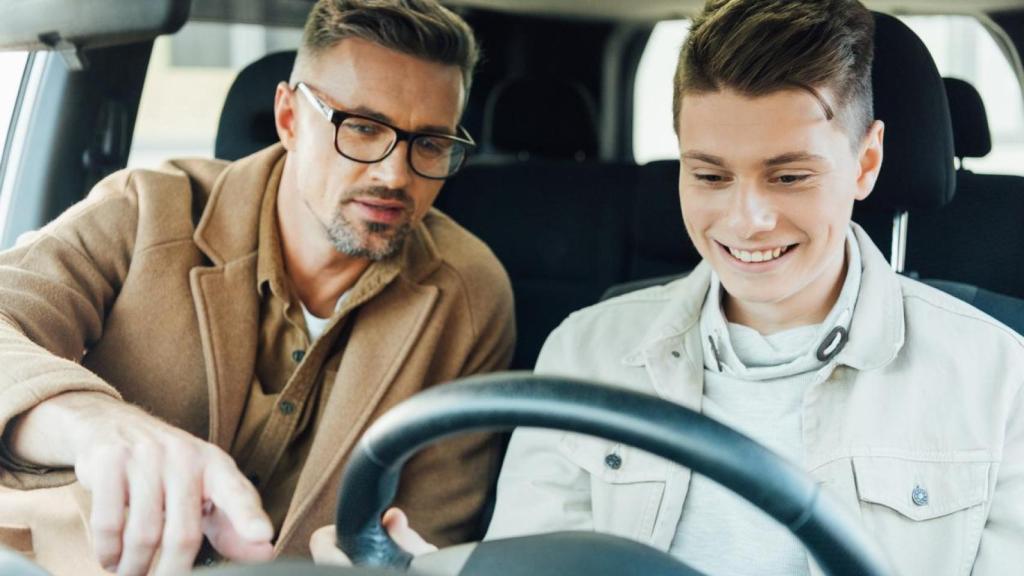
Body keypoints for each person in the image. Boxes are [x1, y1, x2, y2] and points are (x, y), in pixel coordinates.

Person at [312, 0, 1024, 574]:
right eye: (709, 175)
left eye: (791, 175)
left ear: (866, 162)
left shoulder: (998, 381)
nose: (747, 220)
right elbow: (535, 560)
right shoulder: (587, 354)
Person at [0, 1, 515, 574]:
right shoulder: (147, 210)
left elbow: (429, 531)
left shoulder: (469, 293)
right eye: (364, 129)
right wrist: (95, 426)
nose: (395, 175)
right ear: (289, 118)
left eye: (431, 144)